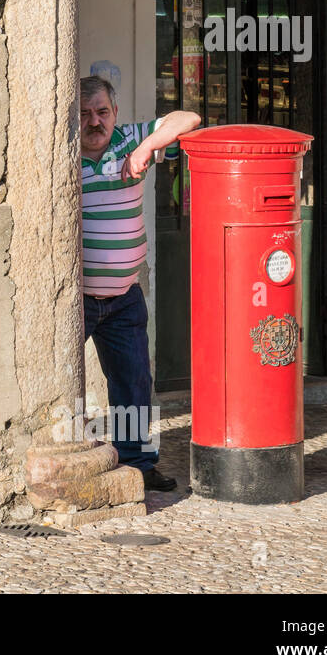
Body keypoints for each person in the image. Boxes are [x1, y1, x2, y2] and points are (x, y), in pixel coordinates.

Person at [79, 75, 200, 492]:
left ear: (115, 113)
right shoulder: (63, 153)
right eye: (85, 114)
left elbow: (189, 117)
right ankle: (69, 458)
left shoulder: (128, 138)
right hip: (76, 299)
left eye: (102, 112)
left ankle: (140, 465)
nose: (95, 122)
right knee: (60, 384)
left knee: (134, 385)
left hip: (125, 298)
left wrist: (147, 146)